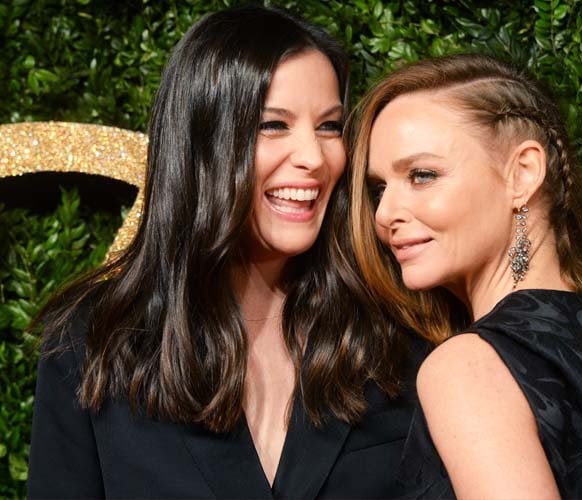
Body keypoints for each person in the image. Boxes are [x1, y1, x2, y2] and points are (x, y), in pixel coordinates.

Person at [27, 6, 429, 499]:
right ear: (201, 142)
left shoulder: (393, 332)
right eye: (273, 125)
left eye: (329, 126)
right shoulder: (93, 342)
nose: (314, 156)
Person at [348, 53, 582, 498]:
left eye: (422, 175)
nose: (384, 214)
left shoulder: (468, 369)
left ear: (523, 173)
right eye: (380, 188)